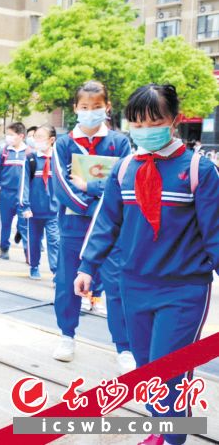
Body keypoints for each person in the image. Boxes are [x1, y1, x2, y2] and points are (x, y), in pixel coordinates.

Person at [77, 84, 219, 445]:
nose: (145, 129)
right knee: (146, 368)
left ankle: (171, 437)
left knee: (169, 370)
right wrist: (87, 267)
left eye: (154, 120)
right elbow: (107, 222)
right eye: (137, 122)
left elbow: (215, 234)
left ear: (174, 120)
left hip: (184, 289)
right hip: (133, 285)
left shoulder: (199, 170)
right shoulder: (125, 169)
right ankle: (161, 426)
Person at [51, 80, 134, 372]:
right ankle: (67, 335)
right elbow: (62, 187)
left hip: (111, 229)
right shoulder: (63, 143)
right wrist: (100, 199)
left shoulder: (119, 142)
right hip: (73, 225)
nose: (90, 112)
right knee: (67, 283)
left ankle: (124, 346)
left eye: (96, 107)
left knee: (117, 284)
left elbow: (124, 182)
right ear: (75, 108)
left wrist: (92, 186)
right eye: (84, 107)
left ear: (107, 108)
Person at [19, 125, 59, 281]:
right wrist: (26, 206)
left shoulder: (58, 159)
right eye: (35, 137)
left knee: (55, 241)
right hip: (34, 210)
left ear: (52, 140)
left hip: (54, 211)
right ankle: (34, 266)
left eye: (40, 137)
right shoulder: (31, 159)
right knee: (34, 241)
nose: (36, 140)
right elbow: (24, 185)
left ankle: (56, 272)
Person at [0, 122, 29, 260]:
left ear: (21, 136)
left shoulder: (29, 153)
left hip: (23, 196)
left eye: (11, 135)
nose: (8, 137)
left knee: (25, 225)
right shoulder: (4, 151)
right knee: (5, 223)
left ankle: (28, 253)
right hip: (6, 194)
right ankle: (4, 248)